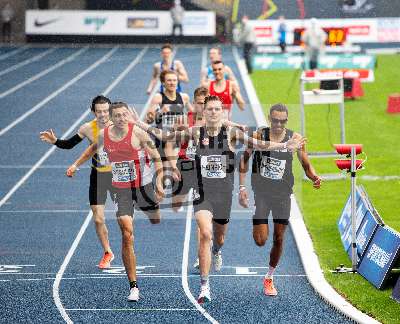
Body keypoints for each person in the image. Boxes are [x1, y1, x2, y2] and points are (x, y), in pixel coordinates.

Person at [135, 96, 304, 304]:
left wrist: (286, 145)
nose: (214, 112)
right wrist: (140, 124)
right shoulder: (197, 132)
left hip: (223, 195)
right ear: (204, 112)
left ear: (222, 113)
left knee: (219, 238)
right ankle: (205, 287)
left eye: (217, 109)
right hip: (202, 191)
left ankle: (217, 251)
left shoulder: (232, 133)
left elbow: (259, 144)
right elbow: (168, 136)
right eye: (210, 109)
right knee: (205, 233)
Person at [66, 102, 164, 302]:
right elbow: (91, 150)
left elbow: (156, 156)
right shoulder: (104, 135)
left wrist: (160, 183)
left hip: (143, 187)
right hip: (123, 190)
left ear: (128, 115)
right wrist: (75, 165)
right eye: (117, 116)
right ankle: (134, 286)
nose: (120, 119)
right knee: (127, 234)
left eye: (123, 115)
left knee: (155, 219)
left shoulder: (138, 133)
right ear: (112, 117)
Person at [238, 103, 321, 296]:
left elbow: (306, 165)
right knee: (260, 240)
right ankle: (258, 223)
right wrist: (242, 187)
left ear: (286, 120)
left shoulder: (295, 138)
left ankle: (269, 277)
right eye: (275, 120)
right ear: (269, 118)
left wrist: (315, 177)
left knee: (279, 237)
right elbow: (244, 160)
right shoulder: (259, 135)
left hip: (283, 194)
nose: (278, 124)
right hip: (262, 193)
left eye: (282, 121)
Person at [39, 95, 116, 269]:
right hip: (99, 176)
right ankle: (107, 252)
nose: (103, 115)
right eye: (99, 112)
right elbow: (69, 144)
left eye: (106, 111)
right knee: (98, 219)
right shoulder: (88, 128)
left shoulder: (120, 125)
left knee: (124, 220)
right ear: (93, 112)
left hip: (120, 175)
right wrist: (55, 141)